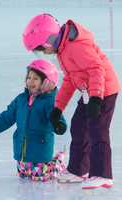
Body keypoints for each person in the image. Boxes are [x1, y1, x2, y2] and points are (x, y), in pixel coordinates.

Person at [22, 13, 121, 189]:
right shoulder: (63, 49)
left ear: (50, 39)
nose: (43, 53)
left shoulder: (75, 47)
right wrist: (58, 108)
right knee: (78, 126)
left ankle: (102, 174)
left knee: (97, 131)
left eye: (41, 48)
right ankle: (78, 170)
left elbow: (96, 69)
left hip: (104, 90)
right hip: (88, 91)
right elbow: (70, 79)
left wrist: (96, 98)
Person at [0, 59, 67, 181]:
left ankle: (57, 163)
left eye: (35, 78)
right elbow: (7, 116)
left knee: (39, 177)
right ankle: (49, 163)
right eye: (29, 77)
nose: (30, 81)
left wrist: (58, 124)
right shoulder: (21, 99)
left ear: (46, 82)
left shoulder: (49, 102)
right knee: (24, 173)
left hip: (39, 153)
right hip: (21, 154)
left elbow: (55, 117)